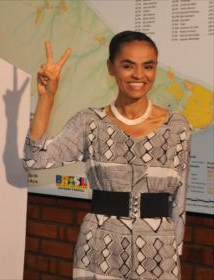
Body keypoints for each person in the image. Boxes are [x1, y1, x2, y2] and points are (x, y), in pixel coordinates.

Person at [23, 31, 191, 280]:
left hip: (159, 250)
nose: (138, 75)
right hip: (100, 246)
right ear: (111, 68)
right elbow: (33, 159)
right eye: (127, 65)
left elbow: (180, 201)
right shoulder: (89, 122)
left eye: (148, 66)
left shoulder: (177, 126)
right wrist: (47, 97)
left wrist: (171, 252)